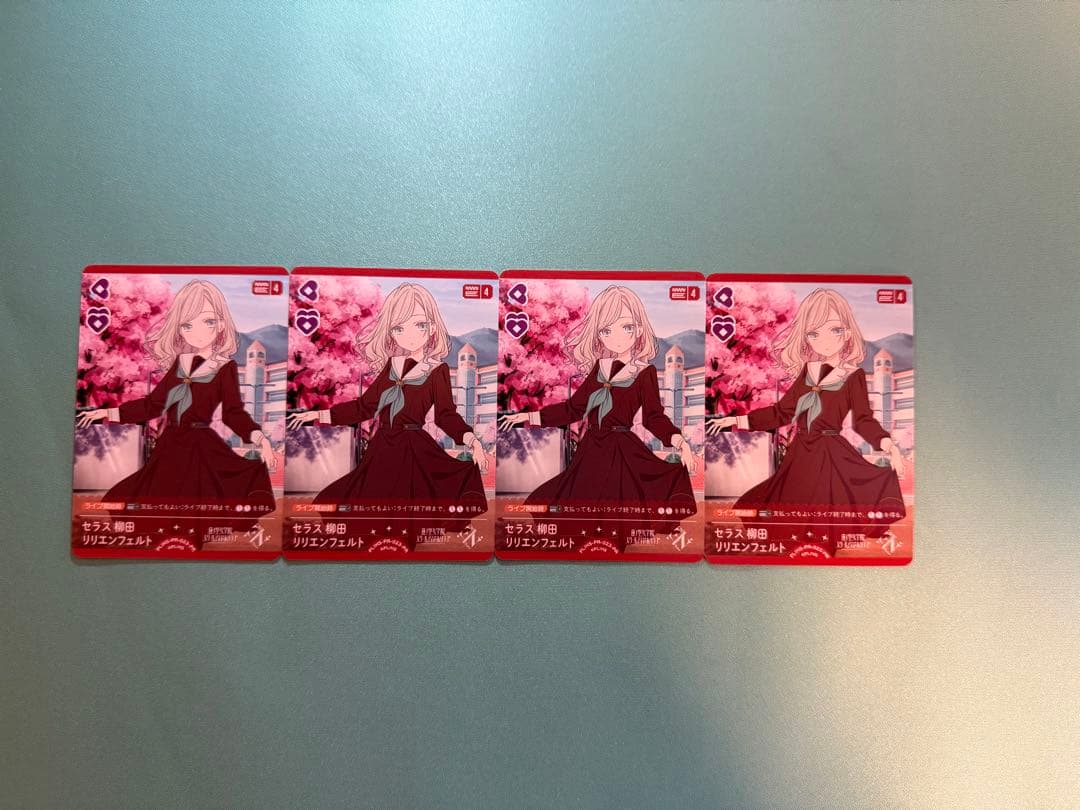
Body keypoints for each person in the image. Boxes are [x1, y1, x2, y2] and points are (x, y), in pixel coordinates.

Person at [288, 283, 489, 542]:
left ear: (432, 327)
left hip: (413, 447)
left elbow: (445, 415)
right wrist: (319, 415)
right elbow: (365, 406)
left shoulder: (437, 370)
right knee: (365, 503)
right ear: (391, 331)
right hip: (382, 446)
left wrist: (473, 441)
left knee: (409, 508)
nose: (410, 335)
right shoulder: (391, 366)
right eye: (399, 328)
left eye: (419, 325)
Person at [499, 285, 696, 549]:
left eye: (626, 327)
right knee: (577, 506)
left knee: (617, 510)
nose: (617, 337)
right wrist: (530, 416)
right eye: (606, 330)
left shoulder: (644, 372)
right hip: (592, 448)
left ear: (639, 329)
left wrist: (681, 442)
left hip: (622, 449)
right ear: (599, 333)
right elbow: (574, 408)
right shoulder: (599, 368)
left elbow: (653, 417)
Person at [708, 287, 906, 548]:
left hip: (831, 452)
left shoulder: (853, 375)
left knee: (828, 511)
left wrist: (889, 446)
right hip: (801, 452)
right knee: (788, 511)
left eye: (834, 330)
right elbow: (782, 412)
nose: (824, 340)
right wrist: (736, 420)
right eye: (814, 333)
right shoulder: (807, 372)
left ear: (847, 332)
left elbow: (863, 420)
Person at [77, 279, 277, 524]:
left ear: (221, 324)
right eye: (188, 324)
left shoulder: (225, 367)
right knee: (157, 507)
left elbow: (233, 413)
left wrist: (261, 440)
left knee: (196, 508)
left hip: (201, 445)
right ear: (180, 328)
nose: (198, 332)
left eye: (208, 321)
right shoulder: (180, 363)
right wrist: (107, 413)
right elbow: (153, 405)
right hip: (170, 445)